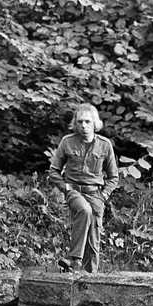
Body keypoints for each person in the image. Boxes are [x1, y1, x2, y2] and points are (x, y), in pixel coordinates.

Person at [47, 104, 119, 272]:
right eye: (80, 122)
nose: (83, 126)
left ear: (95, 123)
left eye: (87, 121)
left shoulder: (105, 145)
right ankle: (74, 259)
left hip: (95, 194)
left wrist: (104, 195)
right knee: (84, 210)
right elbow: (54, 171)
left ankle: (89, 277)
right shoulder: (67, 142)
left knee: (93, 239)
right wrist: (65, 187)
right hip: (74, 191)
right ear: (75, 123)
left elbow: (113, 177)